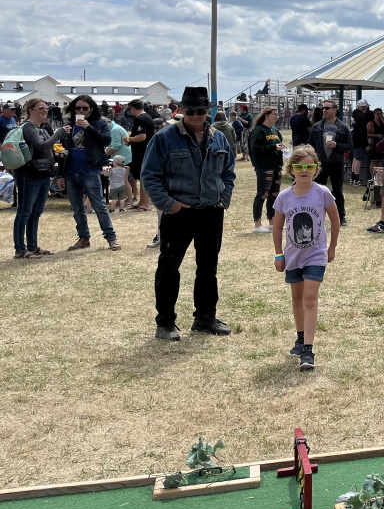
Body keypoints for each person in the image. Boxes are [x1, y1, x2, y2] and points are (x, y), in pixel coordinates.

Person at [141, 87, 236, 341]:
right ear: (181, 111)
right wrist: (168, 204)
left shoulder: (218, 138)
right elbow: (149, 175)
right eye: (191, 111)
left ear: (208, 111)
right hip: (179, 213)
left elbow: (228, 172)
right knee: (169, 267)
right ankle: (165, 323)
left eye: (201, 111)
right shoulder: (164, 138)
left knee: (208, 267)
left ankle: (205, 318)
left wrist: (223, 199)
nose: (196, 115)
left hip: (211, 212)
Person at [272, 145, 339, 371]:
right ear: (291, 170)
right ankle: (300, 338)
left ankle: (308, 351)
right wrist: (278, 254)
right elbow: (277, 227)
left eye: (309, 166)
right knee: (297, 297)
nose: (304, 171)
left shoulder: (322, 193)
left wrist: (332, 247)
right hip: (292, 256)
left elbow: (335, 220)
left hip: (316, 255)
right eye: (299, 166)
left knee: (310, 298)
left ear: (316, 170)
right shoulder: (283, 197)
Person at [11, 99, 70, 259]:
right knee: (24, 212)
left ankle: (32, 246)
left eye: (47, 108)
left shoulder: (43, 127)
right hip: (28, 174)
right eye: (41, 108)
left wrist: (60, 150)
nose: (45, 110)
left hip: (44, 173)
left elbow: (49, 146)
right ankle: (20, 249)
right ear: (31, 110)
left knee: (36, 212)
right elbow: (41, 146)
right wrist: (59, 133)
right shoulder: (28, 127)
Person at [61, 95, 120, 252]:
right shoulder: (69, 124)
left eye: (85, 108)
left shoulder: (100, 122)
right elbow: (63, 148)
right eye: (78, 108)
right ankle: (83, 238)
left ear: (91, 109)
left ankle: (111, 238)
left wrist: (89, 127)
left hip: (90, 168)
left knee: (99, 205)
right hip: (71, 170)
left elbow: (106, 141)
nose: (81, 111)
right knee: (77, 208)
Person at [308, 99, 351, 227]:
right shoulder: (317, 127)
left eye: (327, 108)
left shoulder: (342, 127)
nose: (324, 110)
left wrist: (336, 145)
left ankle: (341, 217)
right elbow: (310, 146)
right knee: (317, 191)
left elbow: (349, 146)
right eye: (323, 108)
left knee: (337, 191)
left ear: (334, 110)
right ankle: (315, 216)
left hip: (336, 163)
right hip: (321, 164)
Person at [249, 107, 284, 234]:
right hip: (264, 167)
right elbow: (256, 148)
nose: (277, 117)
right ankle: (257, 224)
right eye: (274, 114)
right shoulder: (258, 130)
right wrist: (273, 147)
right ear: (266, 115)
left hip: (276, 166)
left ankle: (272, 221)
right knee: (262, 194)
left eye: (278, 115)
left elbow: (278, 143)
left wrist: (281, 148)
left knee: (274, 194)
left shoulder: (275, 130)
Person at [349, 100, 370, 185]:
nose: (367, 108)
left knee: (355, 158)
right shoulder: (361, 117)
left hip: (353, 138)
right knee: (359, 159)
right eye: (366, 107)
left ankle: (353, 178)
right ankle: (356, 179)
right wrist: (365, 143)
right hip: (359, 140)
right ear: (363, 107)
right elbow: (363, 131)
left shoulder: (354, 115)